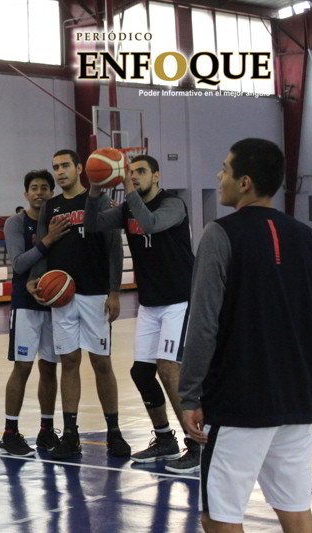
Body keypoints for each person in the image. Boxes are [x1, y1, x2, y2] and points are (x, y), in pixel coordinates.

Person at [179, 139, 312, 533]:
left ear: (244, 182)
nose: (218, 176)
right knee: (296, 514)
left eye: (224, 169)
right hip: (298, 400)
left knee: (220, 519)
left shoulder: (219, 234)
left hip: (240, 403)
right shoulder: (307, 238)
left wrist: (190, 393)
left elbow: (204, 322)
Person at [84, 154, 197, 473]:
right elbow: (93, 224)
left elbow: (151, 223)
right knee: (141, 372)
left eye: (141, 172)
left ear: (157, 176)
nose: (134, 177)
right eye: (131, 172)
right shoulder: (126, 208)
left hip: (180, 299)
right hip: (151, 302)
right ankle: (165, 440)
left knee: (169, 369)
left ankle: (196, 444)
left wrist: (125, 187)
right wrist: (94, 190)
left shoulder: (173, 204)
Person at [28, 149, 130, 459]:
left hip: (96, 294)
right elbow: (42, 247)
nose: (59, 172)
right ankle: (70, 434)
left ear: (79, 168)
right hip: (62, 297)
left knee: (101, 363)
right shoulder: (50, 207)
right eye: (55, 167)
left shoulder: (98, 203)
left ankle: (114, 432)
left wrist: (114, 291)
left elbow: (114, 249)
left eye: (64, 166)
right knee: (69, 362)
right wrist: (36, 278)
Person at [0, 170, 64, 456]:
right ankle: (10, 432)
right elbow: (18, 264)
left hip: (55, 304)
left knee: (49, 368)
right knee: (23, 367)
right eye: (34, 188)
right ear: (25, 194)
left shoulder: (60, 221)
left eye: (44, 188)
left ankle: (46, 430)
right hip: (25, 304)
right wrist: (48, 239)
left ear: (52, 193)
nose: (39, 193)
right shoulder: (15, 223)